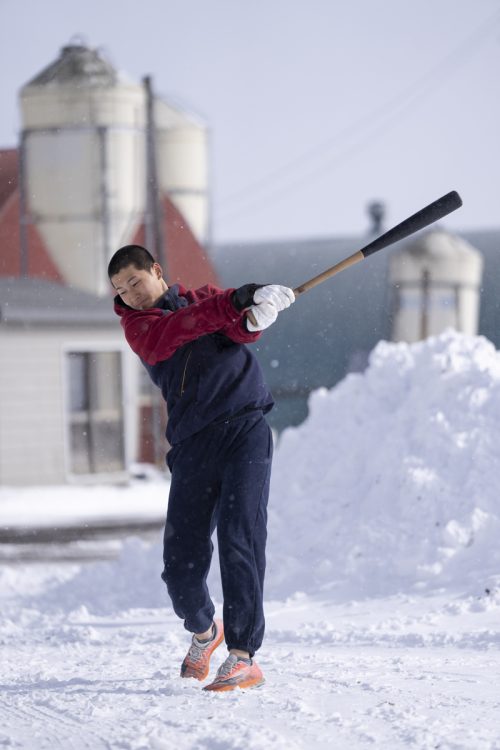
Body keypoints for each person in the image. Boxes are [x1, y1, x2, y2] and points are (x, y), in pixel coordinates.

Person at [108, 244, 294, 692]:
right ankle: (206, 633)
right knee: (181, 568)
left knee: (240, 538)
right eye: (120, 290)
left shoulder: (203, 299)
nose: (130, 294)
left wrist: (254, 315)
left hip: (245, 430)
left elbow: (235, 327)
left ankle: (243, 655)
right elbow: (184, 327)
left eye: (134, 282)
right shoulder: (141, 326)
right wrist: (237, 302)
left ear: (156, 269)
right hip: (194, 446)